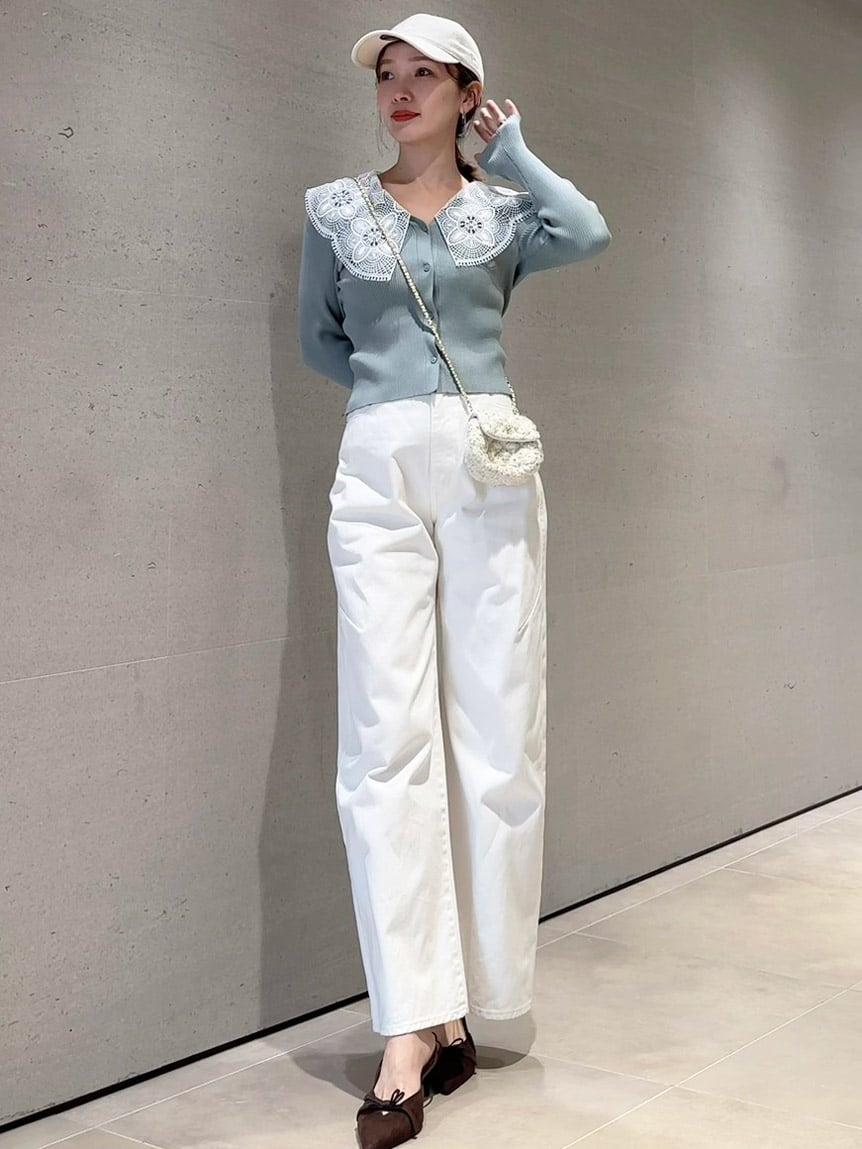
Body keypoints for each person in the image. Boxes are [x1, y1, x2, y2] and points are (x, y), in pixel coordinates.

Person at [298, 13, 611, 1147]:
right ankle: (408, 1025)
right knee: (383, 737)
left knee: (496, 727)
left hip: (490, 460)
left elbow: (589, 230)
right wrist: (400, 404)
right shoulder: (335, 210)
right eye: (388, 74)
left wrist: (510, 150)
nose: (399, 89)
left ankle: (465, 1002)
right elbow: (320, 341)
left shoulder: (507, 212)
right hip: (378, 460)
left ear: (466, 91)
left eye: (423, 73)